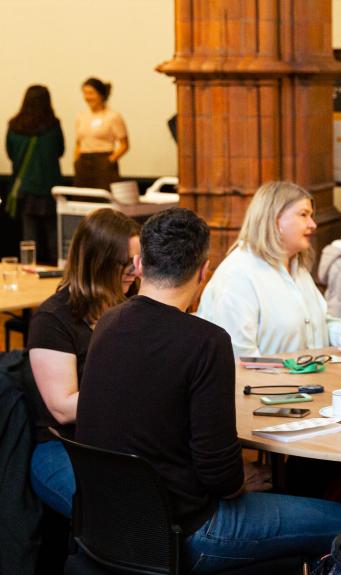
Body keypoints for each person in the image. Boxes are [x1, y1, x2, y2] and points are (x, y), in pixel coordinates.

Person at [75, 208, 341, 573]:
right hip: (189, 529)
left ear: (139, 263)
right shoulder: (205, 341)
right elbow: (220, 478)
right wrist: (240, 478)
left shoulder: (107, 324)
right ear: (203, 271)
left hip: (111, 523)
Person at [25, 209, 141, 517]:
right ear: (97, 263)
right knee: (116, 511)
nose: (135, 271)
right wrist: (139, 390)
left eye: (138, 261)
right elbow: (62, 408)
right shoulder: (53, 319)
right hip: (63, 446)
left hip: (116, 438)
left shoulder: (128, 308)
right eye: (125, 263)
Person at [197, 181, 336, 357]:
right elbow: (241, 357)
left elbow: (322, 323)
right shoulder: (238, 273)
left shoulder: (296, 267)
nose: (313, 224)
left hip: (307, 380)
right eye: (303, 215)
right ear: (275, 219)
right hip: (264, 384)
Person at [6, 85, 64, 264]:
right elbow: (60, 150)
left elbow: (11, 154)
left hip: (26, 188)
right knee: (54, 234)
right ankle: (56, 274)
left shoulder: (14, 126)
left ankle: (28, 270)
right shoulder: (53, 126)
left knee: (29, 237)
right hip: (50, 188)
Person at [73, 77, 128, 190]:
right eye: (85, 93)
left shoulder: (113, 116)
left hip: (103, 161)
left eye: (91, 93)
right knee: (83, 198)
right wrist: (76, 160)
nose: (87, 97)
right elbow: (78, 142)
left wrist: (110, 160)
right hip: (84, 161)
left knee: (104, 198)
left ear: (101, 94)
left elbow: (124, 144)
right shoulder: (81, 116)